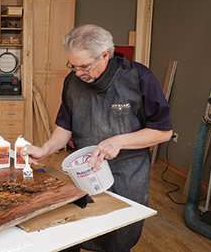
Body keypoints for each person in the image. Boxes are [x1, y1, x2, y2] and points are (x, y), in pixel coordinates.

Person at [22, 24, 173, 251]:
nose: (78, 73)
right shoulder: (73, 82)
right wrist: (45, 150)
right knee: (74, 230)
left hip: (126, 174)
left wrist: (119, 141)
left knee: (118, 238)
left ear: (105, 55)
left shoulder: (138, 77)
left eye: (84, 66)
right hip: (84, 171)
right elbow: (65, 127)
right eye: (72, 66)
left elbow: (163, 131)